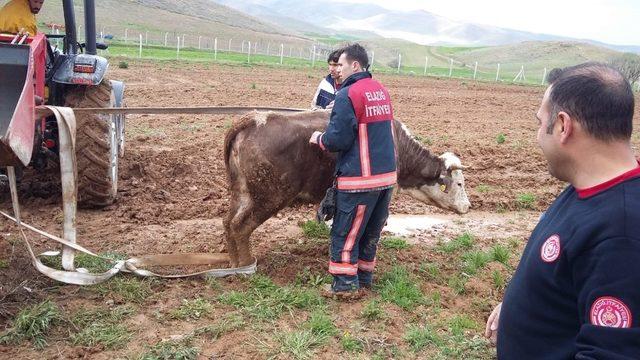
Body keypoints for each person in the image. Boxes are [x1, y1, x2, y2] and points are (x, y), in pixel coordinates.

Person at [485, 63, 640, 358]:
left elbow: (610, 352)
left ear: (563, 126)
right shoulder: (589, 188)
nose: (537, 136)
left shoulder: (622, 234)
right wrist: (523, 305)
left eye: (539, 122)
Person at [309, 43, 397, 297]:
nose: (337, 69)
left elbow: (338, 139)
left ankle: (345, 286)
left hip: (360, 178)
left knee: (346, 231)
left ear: (355, 65)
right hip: (385, 177)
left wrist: (318, 138)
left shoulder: (348, 94)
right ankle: (364, 277)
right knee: (370, 230)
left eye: (342, 65)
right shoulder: (380, 90)